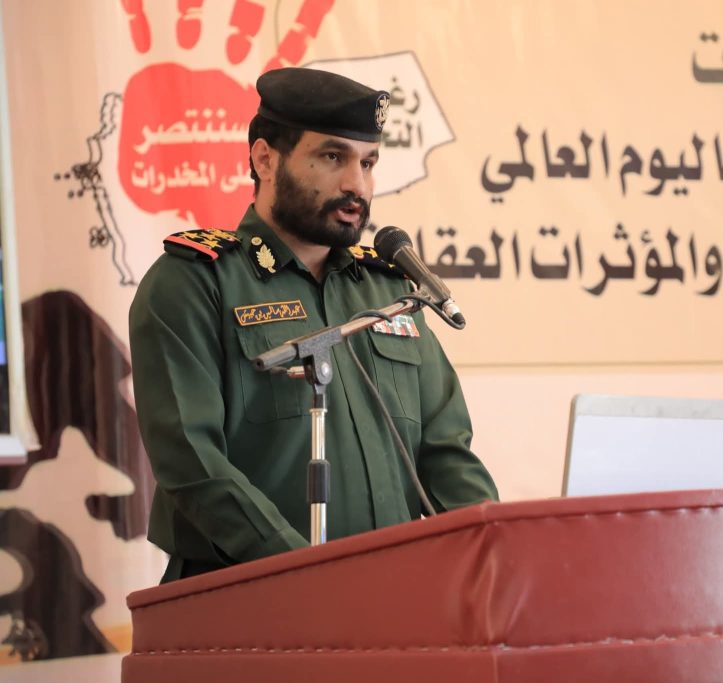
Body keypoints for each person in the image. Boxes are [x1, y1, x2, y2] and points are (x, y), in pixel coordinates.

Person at [129, 67, 498, 583]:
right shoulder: (194, 284)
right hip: (248, 602)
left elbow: (445, 454)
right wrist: (308, 576)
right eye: (332, 157)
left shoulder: (388, 293)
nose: (356, 184)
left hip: (392, 599)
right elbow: (192, 463)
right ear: (265, 159)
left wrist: (493, 561)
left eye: (367, 162)